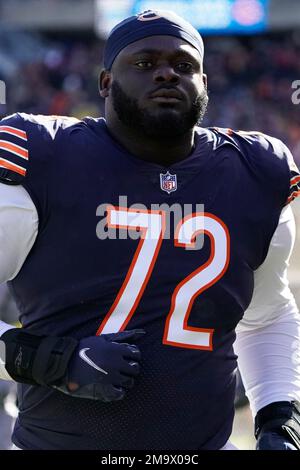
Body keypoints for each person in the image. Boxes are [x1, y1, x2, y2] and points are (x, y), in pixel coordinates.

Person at [0, 9, 299, 451]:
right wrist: (52, 362)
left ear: (204, 83)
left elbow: (268, 314)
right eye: (144, 63)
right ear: (105, 83)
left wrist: (279, 417)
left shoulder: (254, 171)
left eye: (184, 66)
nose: (166, 75)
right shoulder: (45, 159)